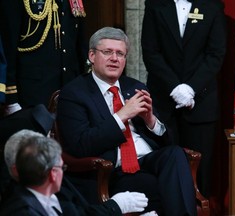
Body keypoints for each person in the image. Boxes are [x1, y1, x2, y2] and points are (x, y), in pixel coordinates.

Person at [57, 26, 197, 216]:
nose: (114, 58)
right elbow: (80, 145)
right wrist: (121, 115)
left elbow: (167, 142)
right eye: (107, 52)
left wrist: (150, 120)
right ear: (91, 55)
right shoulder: (74, 93)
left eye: (120, 54)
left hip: (146, 161)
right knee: (165, 188)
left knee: (175, 154)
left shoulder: (136, 87)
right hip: (111, 170)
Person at [141, 0, 227, 198]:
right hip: (164, 101)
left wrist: (191, 88)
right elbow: (150, 51)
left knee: (201, 173)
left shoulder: (212, 6)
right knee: (164, 167)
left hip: (201, 103)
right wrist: (174, 87)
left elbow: (216, 54)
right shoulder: (155, 5)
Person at [0, 130, 149, 216]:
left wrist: (115, 206)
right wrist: (115, 207)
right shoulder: (20, 210)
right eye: (61, 168)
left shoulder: (53, 192)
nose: (63, 172)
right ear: (52, 173)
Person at [0, 0, 88, 115]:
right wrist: (11, 100)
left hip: (70, 90)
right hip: (32, 93)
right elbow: (8, 48)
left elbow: (79, 45)